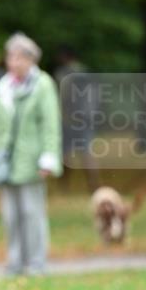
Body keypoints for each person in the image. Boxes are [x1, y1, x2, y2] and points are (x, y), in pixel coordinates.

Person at [0, 33, 62, 274]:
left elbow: (50, 123)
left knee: (32, 213)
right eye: (10, 57)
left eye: (19, 57)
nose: (13, 62)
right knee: (10, 215)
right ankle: (15, 261)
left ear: (31, 59)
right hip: (6, 162)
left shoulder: (42, 84)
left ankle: (36, 262)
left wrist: (49, 156)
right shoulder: (3, 88)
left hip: (32, 159)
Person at [53, 44, 99, 192]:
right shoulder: (86, 72)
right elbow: (95, 96)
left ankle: (64, 186)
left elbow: (62, 96)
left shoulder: (62, 73)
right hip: (86, 118)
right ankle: (93, 184)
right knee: (86, 151)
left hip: (68, 119)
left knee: (66, 152)